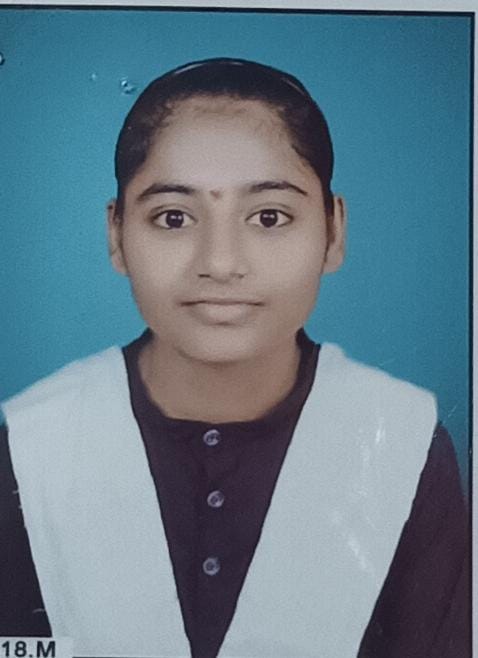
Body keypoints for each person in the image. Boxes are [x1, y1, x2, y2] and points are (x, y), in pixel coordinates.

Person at [0, 58, 469, 658]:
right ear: (116, 235)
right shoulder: (34, 445)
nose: (220, 263)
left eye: (269, 217)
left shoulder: (400, 439)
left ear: (333, 231)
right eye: (174, 218)